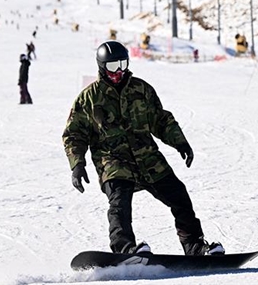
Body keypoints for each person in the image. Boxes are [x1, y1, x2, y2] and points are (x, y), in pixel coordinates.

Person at [62, 41, 224, 256]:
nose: (118, 71)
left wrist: (180, 142)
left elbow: (160, 120)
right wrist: (77, 164)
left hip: (148, 159)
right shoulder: (89, 98)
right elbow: (74, 134)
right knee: (119, 203)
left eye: (122, 64)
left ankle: (195, 246)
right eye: (112, 66)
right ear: (101, 66)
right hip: (113, 161)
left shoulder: (141, 89)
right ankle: (125, 249)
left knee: (180, 197)